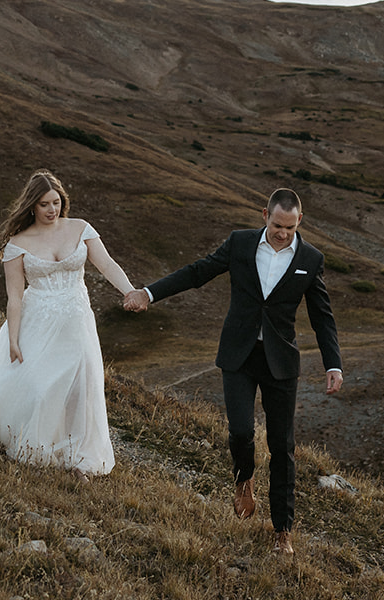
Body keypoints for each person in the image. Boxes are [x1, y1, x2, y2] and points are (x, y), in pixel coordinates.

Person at [123, 188, 341, 555]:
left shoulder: (311, 258)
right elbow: (197, 272)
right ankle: (244, 480)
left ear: (299, 222)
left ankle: (282, 531)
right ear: (264, 215)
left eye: (289, 227)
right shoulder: (240, 244)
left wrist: (332, 363)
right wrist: (149, 293)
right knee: (240, 431)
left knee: (282, 446)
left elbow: (323, 317)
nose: (282, 233)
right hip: (239, 355)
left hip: (281, 363)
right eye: (276, 225)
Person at [0, 169, 139, 476]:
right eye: (44, 204)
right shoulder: (18, 244)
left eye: (56, 202)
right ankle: (35, 443)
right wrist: (13, 339)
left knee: (80, 388)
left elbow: (107, 264)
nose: (52, 209)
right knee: (41, 387)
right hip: (37, 322)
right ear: (32, 206)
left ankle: (77, 455)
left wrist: (130, 291)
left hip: (76, 319)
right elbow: (15, 297)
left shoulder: (81, 229)